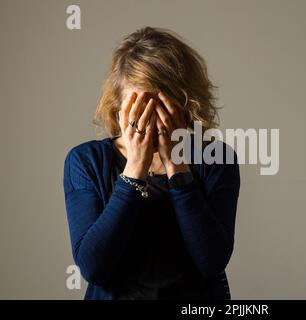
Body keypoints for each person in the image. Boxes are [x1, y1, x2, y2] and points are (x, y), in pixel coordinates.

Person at [62, 26, 240, 300]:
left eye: (161, 109)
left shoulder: (216, 159)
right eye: (140, 109)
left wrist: (177, 167)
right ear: (118, 107)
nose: (151, 122)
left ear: (184, 106)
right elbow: (94, 267)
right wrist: (134, 169)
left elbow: (212, 260)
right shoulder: (86, 161)